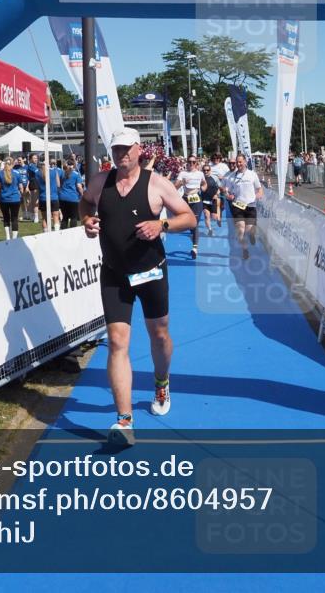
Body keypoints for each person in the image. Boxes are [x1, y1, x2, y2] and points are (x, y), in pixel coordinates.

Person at [79, 129, 196, 445]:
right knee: (117, 341)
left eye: (126, 149)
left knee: (159, 336)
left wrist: (163, 224)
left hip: (151, 273)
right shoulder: (100, 182)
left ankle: (161, 380)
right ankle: (124, 421)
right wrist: (87, 221)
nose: (121, 154)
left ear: (138, 149)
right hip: (114, 273)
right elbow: (85, 203)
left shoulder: (156, 183)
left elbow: (189, 217)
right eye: (116, 149)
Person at [222, 153, 264, 260]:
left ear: (245, 162)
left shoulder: (252, 174)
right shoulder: (232, 177)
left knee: (249, 230)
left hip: (250, 206)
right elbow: (226, 192)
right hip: (238, 206)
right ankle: (245, 250)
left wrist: (257, 196)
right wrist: (228, 195)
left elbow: (259, 190)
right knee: (240, 230)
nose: (238, 164)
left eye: (240, 162)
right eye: (237, 162)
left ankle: (251, 234)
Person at [174, 156, 207, 259]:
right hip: (186, 199)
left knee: (195, 224)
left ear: (196, 163)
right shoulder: (183, 173)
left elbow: (204, 183)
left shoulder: (200, 173)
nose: (191, 164)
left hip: (196, 199)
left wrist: (203, 188)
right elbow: (175, 187)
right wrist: (182, 182)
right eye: (190, 162)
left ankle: (194, 248)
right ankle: (194, 236)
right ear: (187, 163)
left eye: (193, 162)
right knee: (189, 225)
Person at [0, 157, 25, 240]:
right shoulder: (17, 173)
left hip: (3, 199)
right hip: (15, 199)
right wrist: (22, 195)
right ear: (12, 164)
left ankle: (8, 237)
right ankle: (14, 238)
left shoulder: (0, 173)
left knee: (6, 218)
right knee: (14, 218)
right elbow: (20, 187)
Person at [58, 159, 85, 230]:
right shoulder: (76, 174)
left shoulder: (62, 173)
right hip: (73, 198)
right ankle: (72, 232)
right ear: (74, 166)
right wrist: (82, 194)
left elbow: (59, 184)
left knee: (65, 216)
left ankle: (63, 232)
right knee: (74, 217)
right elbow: (79, 186)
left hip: (62, 197)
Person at [37, 158, 63, 230]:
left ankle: (45, 233)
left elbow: (37, 185)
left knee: (44, 218)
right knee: (55, 216)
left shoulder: (38, 173)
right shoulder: (54, 171)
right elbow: (58, 184)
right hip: (53, 197)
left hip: (43, 197)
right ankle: (56, 233)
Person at [200, 163, 221, 237]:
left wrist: (217, 195)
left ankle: (218, 218)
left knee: (214, 217)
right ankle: (210, 230)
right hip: (204, 200)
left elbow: (220, 188)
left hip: (213, 200)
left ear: (210, 170)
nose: (206, 172)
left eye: (207, 170)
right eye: (204, 170)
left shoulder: (214, 178)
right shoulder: (200, 179)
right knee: (206, 215)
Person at [26, 154, 41, 224]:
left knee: (34, 200)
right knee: (35, 201)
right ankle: (36, 216)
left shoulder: (36, 165)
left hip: (36, 183)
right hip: (34, 183)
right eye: (34, 158)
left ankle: (33, 215)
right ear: (31, 159)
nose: (36, 159)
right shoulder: (31, 165)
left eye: (36, 158)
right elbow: (38, 172)